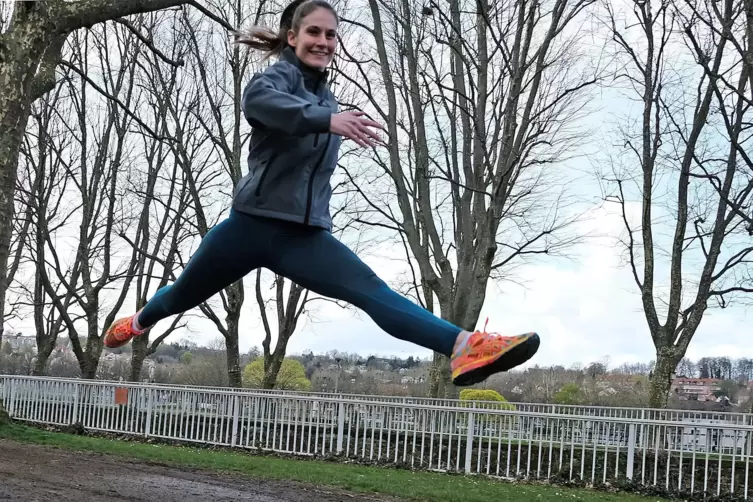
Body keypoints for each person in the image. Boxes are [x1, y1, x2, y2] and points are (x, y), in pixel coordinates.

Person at [103, 0, 540, 387]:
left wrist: (328, 117)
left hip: (304, 237)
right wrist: (325, 120)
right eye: (314, 31)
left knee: (372, 291)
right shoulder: (272, 82)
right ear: (292, 37)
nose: (324, 41)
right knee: (181, 293)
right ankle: (138, 321)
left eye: (331, 34)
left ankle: (466, 346)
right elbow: (261, 105)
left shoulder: (328, 101)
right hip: (249, 227)